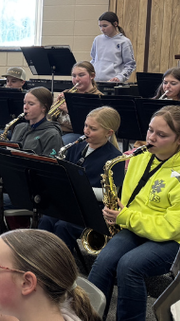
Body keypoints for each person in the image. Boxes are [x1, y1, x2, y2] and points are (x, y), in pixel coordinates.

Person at [87, 105, 180, 321]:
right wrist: (120, 210)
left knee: (130, 266)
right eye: (150, 130)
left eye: (161, 135)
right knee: (106, 259)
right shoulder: (142, 157)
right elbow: (133, 200)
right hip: (140, 228)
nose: (151, 138)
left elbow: (173, 227)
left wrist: (126, 217)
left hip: (179, 240)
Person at [0, 87, 63, 242]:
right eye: (24, 103)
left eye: (31, 104)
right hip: (10, 182)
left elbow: (49, 170)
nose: (25, 107)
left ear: (44, 108)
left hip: (31, 191)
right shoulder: (20, 127)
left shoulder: (52, 134)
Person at [38, 106, 125, 252]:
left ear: (109, 133)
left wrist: (79, 189)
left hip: (93, 210)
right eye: (85, 125)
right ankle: (38, 259)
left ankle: (60, 267)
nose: (86, 131)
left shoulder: (115, 158)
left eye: (93, 128)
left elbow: (111, 194)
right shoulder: (75, 147)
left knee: (62, 226)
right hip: (72, 204)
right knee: (46, 219)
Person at [47, 60, 102, 138]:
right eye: (74, 76)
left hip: (77, 134)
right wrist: (56, 105)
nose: (77, 79)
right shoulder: (67, 93)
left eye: (81, 75)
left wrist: (69, 110)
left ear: (92, 76)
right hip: (57, 130)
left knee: (60, 143)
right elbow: (50, 117)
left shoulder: (97, 97)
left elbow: (91, 125)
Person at [88, 11, 135, 84]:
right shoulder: (97, 39)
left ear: (115, 24)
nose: (102, 29)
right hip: (96, 82)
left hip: (113, 83)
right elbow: (94, 60)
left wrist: (120, 77)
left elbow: (130, 64)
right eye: (100, 26)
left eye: (105, 26)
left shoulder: (124, 42)